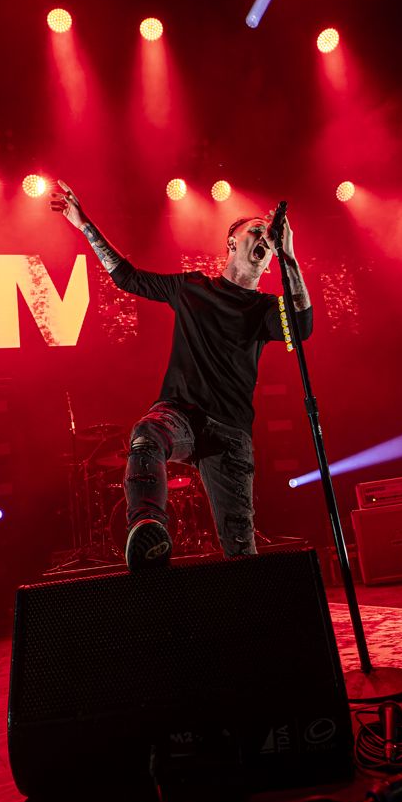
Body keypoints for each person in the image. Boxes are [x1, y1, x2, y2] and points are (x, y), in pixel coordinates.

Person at [50, 182, 313, 568]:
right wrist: (84, 224)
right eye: (255, 230)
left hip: (231, 433)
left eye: (267, 235)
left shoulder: (264, 309)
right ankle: (148, 529)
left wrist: (287, 251)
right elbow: (128, 278)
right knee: (146, 433)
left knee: (241, 551)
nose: (263, 237)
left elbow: (301, 327)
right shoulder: (192, 288)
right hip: (181, 413)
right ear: (231, 242)